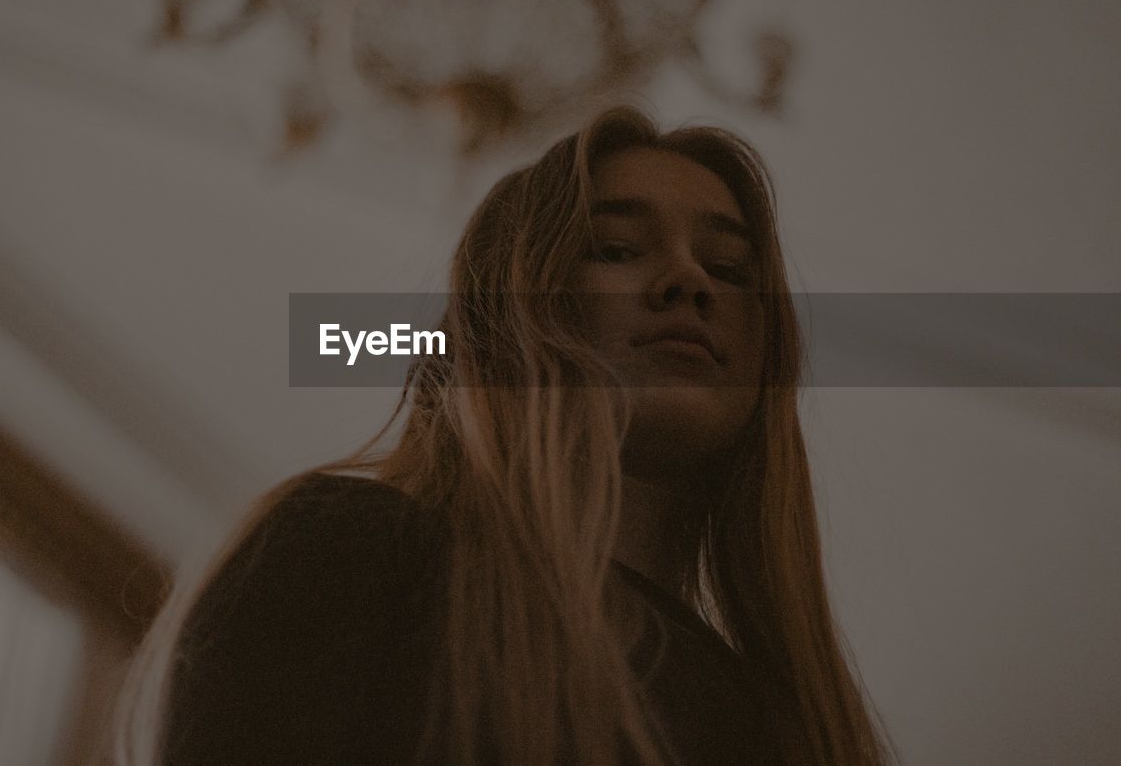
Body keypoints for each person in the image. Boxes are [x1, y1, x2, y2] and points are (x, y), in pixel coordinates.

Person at [113, 106, 894, 765]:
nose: (688, 280)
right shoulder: (349, 552)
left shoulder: (782, 727)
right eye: (616, 249)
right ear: (509, 322)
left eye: (728, 268)